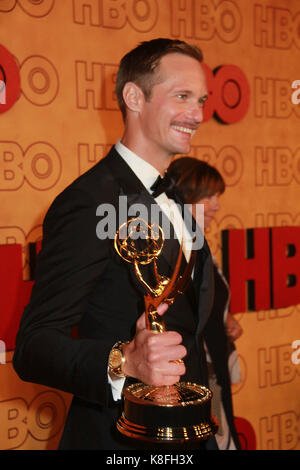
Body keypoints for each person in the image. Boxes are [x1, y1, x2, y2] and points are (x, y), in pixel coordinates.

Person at [13, 38, 217, 450]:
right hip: (121, 439)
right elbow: (33, 347)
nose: (197, 114)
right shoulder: (90, 200)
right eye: (182, 96)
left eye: (201, 100)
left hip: (189, 433)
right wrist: (125, 359)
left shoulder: (174, 195)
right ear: (133, 97)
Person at [168, 157, 243, 450]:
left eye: (217, 197)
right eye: (208, 196)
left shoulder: (199, 248)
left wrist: (224, 319)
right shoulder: (169, 252)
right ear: (184, 197)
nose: (216, 206)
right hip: (191, 381)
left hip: (212, 374)